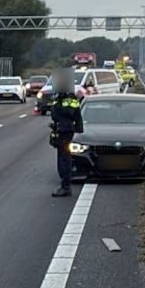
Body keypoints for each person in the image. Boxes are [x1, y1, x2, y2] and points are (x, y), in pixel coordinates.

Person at [49, 66, 84, 197]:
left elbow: (68, 113)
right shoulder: (64, 97)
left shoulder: (67, 98)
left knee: (64, 158)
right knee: (63, 157)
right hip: (62, 129)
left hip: (65, 130)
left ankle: (66, 186)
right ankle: (65, 184)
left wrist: (58, 103)